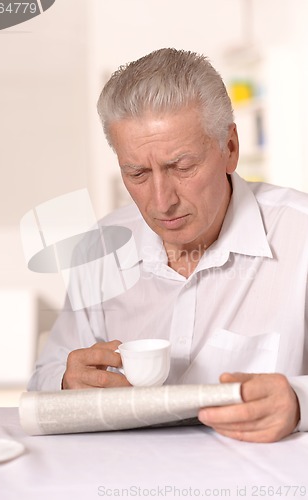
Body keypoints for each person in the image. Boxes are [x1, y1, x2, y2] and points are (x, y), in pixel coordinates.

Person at [28, 48, 308, 443]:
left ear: (229, 148)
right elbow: (44, 378)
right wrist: (65, 380)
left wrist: (298, 401)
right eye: (137, 173)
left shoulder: (301, 235)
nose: (161, 202)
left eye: (182, 167)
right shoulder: (102, 247)